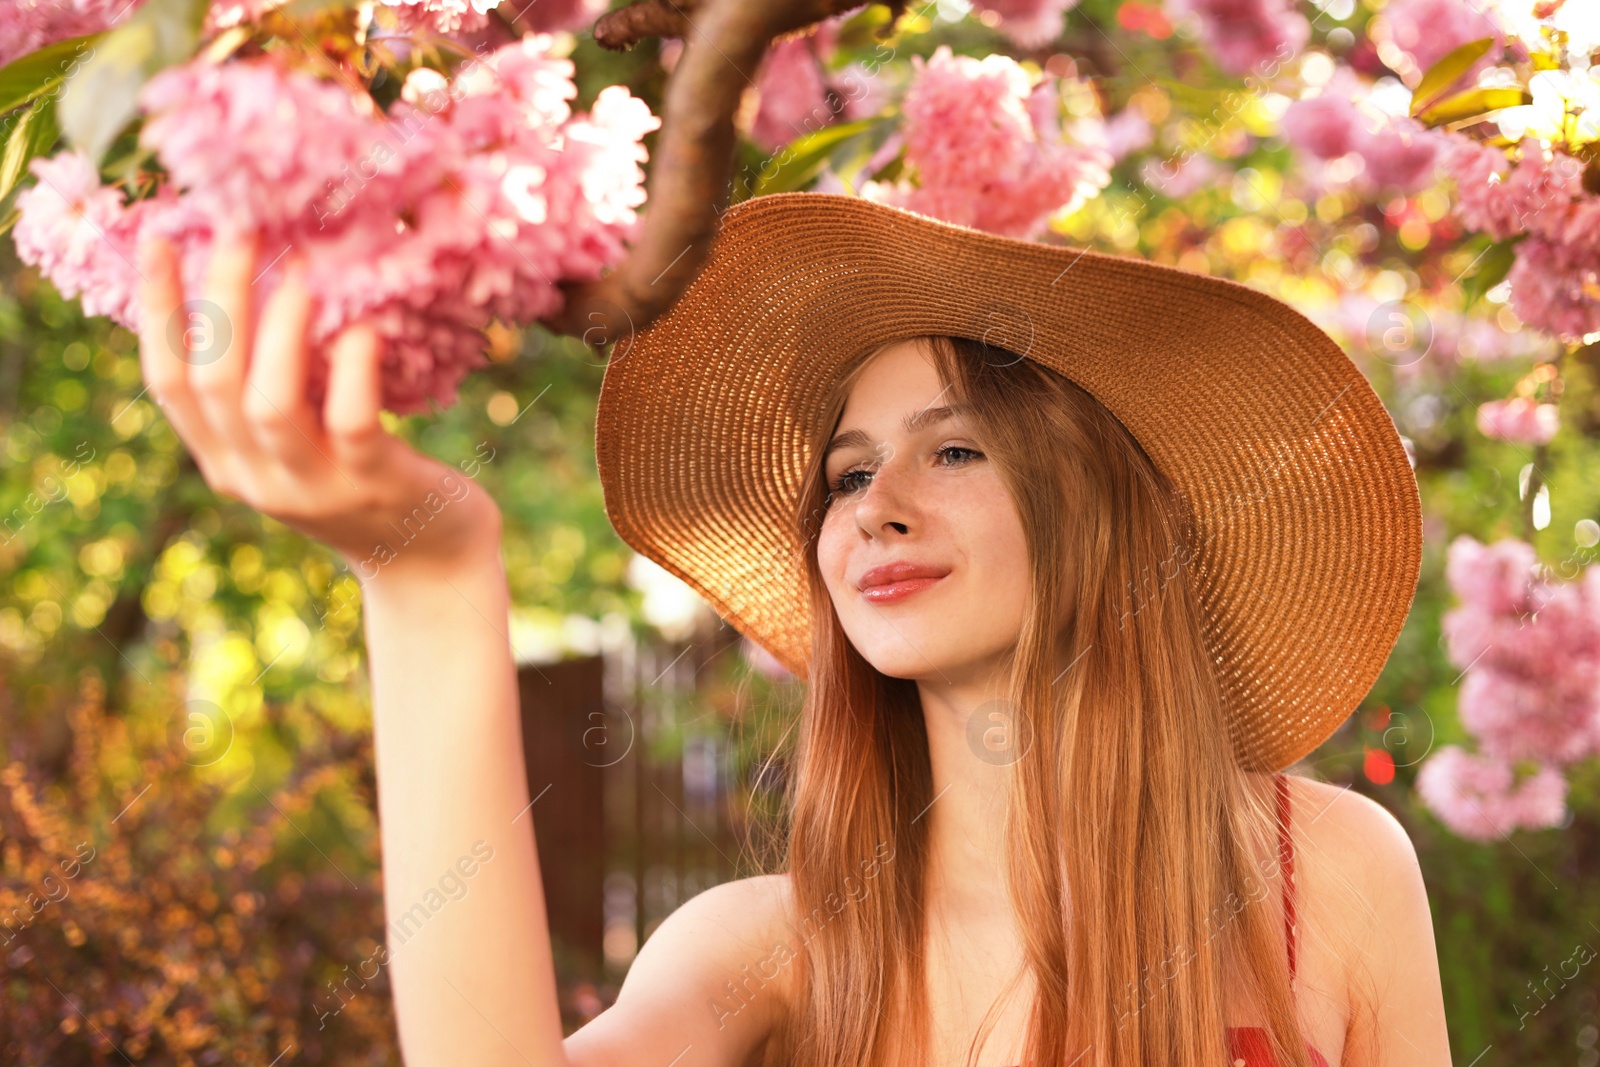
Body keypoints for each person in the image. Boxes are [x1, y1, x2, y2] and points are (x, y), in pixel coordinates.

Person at [134, 191, 1452, 1067]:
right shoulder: (768, 950)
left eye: (953, 454)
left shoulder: (1319, 873)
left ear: (1097, 517)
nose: (873, 509)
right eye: (845, 472)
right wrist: (427, 581)